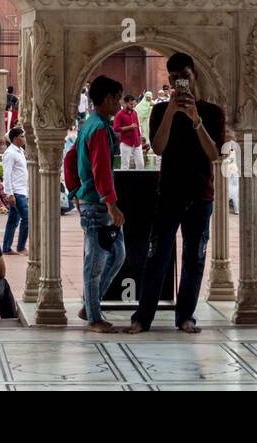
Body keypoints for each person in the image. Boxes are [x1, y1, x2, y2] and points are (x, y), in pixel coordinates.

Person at [128, 53, 225, 334]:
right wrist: (171, 111)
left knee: (194, 257)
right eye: (172, 78)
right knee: (157, 254)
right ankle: (142, 317)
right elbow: (158, 148)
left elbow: (213, 154)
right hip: (169, 192)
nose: (178, 82)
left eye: (182, 75)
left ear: (194, 75)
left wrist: (196, 119)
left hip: (200, 194)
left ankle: (186, 316)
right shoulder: (159, 111)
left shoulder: (213, 113)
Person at [64, 74, 127, 333]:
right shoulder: (98, 128)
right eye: (117, 99)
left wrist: (75, 190)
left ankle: (90, 305)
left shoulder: (92, 124)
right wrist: (110, 203)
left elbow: (70, 158)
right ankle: (93, 317)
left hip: (93, 201)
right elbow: (101, 169)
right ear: (107, 98)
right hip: (98, 205)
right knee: (96, 262)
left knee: (117, 255)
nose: (120, 105)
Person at [1, 126, 30, 254]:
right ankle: (21, 246)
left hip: (22, 190)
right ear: (15, 138)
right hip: (17, 192)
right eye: (22, 136)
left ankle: (6, 248)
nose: (24, 138)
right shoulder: (10, 153)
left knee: (13, 220)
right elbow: (6, 174)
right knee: (26, 218)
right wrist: (9, 193)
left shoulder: (20, 151)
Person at [113, 94, 145, 170]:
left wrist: (140, 137)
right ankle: (124, 181)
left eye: (134, 104)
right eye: (131, 104)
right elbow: (116, 129)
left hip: (137, 143)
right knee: (125, 166)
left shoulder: (135, 113)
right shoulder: (119, 114)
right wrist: (129, 127)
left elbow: (136, 126)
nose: (133, 106)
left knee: (141, 165)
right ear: (125, 103)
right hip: (126, 143)